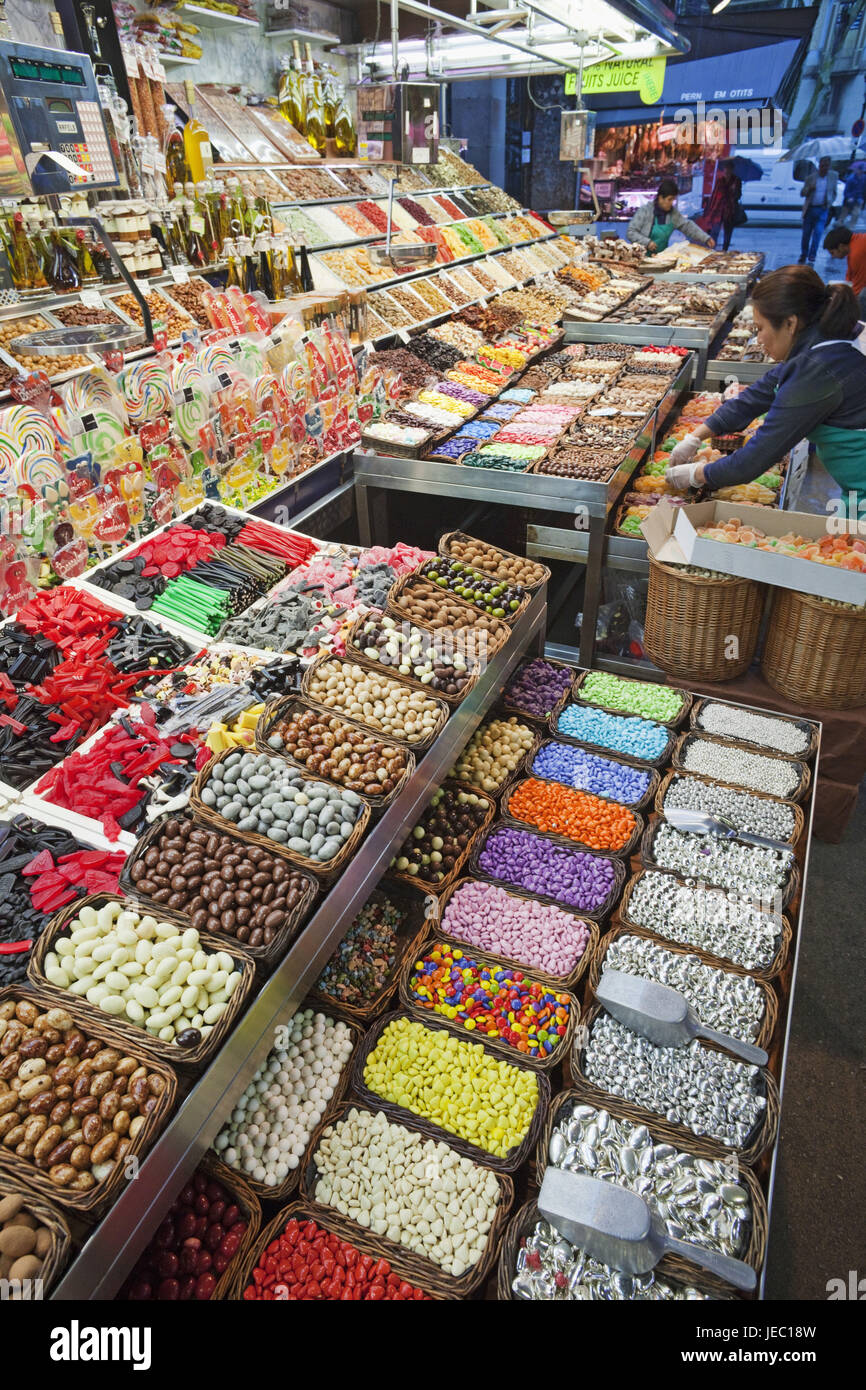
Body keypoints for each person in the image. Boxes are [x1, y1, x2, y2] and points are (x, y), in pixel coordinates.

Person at [665, 266, 866, 506]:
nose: (758, 340)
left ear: (790, 323)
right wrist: (696, 436)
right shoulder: (825, 335)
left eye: (760, 329)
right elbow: (756, 396)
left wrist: (696, 475)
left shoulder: (818, 369)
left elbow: (755, 458)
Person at [626, 177, 714, 256]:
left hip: (661, 258)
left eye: (673, 199)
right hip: (641, 257)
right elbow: (631, 232)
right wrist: (647, 242)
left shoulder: (673, 214)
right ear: (660, 198)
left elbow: (687, 226)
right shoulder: (645, 211)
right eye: (669, 199)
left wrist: (705, 238)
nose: (672, 203)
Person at [799, 156, 839, 265]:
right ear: (819, 166)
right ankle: (804, 253)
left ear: (829, 166)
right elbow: (802, 193)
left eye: (826, 166)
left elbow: (834, 192)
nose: (824, 168)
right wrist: (809, 189)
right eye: (822, 166)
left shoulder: (833, 177)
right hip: (810, 209)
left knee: (818, 233)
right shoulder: (811, 178)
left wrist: (829, 203)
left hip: (823, 209)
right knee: (806, 234)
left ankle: (812, 255)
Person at [823, 224, 866, 315]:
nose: (833, 256)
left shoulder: (856, 253)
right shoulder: (856, 242)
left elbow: (859, 285)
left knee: (862, 297)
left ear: (841, 246)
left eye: (832, 252)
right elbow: (850, 276)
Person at [702, 159, 743, 252]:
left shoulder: (736, 181)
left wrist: (734, 191)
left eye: (729, 169)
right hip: (719, 210)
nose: (727, 171)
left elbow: (739, 195)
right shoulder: (720, 180)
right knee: (715, 231)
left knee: (728, 232)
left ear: (732, 169)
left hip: (730, 210)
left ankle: (725, 250)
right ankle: (712, 249)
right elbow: (715, 194)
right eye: (726, 169)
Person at [835, 164, 866, 230]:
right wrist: (849, 197)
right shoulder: (851, 179)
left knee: (856, 213)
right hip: (849, 199)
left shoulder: (864, 178)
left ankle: (851, 227)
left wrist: (862, 198)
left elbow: (863, 189)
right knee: (844, 214)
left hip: (858, 199)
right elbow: (846, 191)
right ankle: (838, 225)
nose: (861, 172)